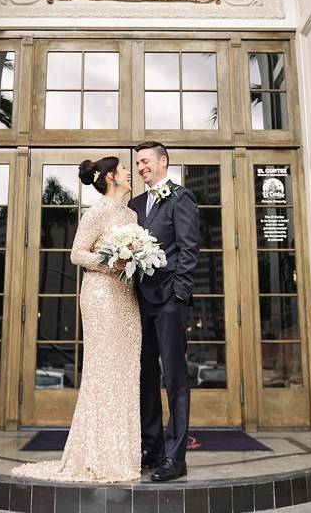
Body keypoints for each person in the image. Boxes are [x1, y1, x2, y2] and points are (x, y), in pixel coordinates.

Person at [11, 157, 141, 483]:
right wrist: (112, 259)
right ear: (112, 176)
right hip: (101, 296)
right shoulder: (96, 212)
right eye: (125, 170)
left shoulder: (132, 215)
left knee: (126, 373)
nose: (129, 173)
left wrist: (138, 258)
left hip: (127, 297)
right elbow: (76, 253)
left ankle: (121, 455)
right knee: (103, 370)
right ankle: (95, 456)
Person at [128, 141, 200, 482]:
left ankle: (176, 457)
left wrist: (179, 295)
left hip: (170, 302)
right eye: (138, 162)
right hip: (140, 301)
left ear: (163, 162)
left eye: (145, 161)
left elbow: (189, 247)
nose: (141, 166)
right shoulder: (135, 204)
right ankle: (152, 448)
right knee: (146, 378)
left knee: (174, 379)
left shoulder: (180, 197)